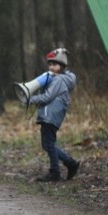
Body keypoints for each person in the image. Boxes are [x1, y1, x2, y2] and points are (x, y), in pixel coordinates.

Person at [27, 48, 81, 182]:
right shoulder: (56, 79)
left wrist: (30, 99)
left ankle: (56, 171)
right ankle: (70, 164)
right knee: (48, 144)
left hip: (50, 116)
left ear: (62, 67)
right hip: (51, 115)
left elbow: (46, 97)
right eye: (49, 64)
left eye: (54, 64)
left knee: (49, 144)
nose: (51, 67)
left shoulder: (58, 81)